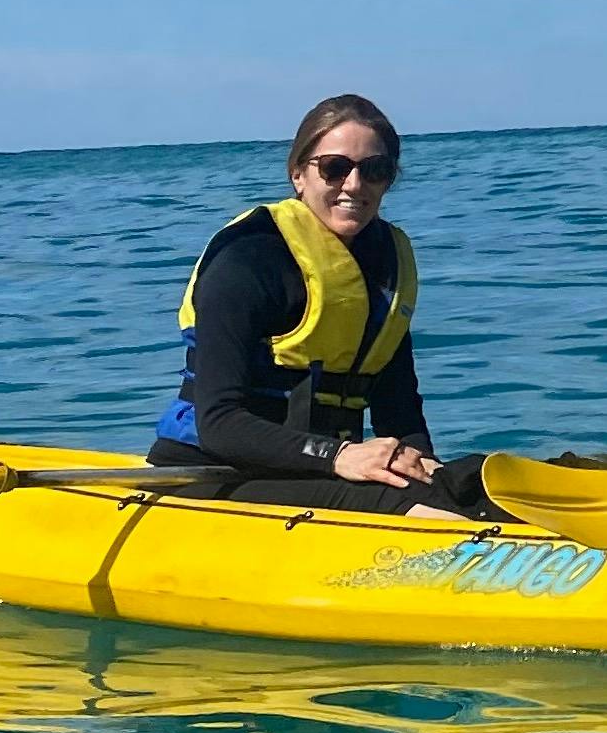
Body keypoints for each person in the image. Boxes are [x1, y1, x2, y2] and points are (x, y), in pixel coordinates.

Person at [151, 92, 476, 511]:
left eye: (374, 170)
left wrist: (425, 466)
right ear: (298, 174)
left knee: (470, 487)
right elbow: (218, 424)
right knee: (424, 510)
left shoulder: (384, 267)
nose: (354, 185)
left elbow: (400, 414)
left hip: (316, 472)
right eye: (334, 168)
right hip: (214, 473)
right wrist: (338, 456)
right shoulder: (249, 258)